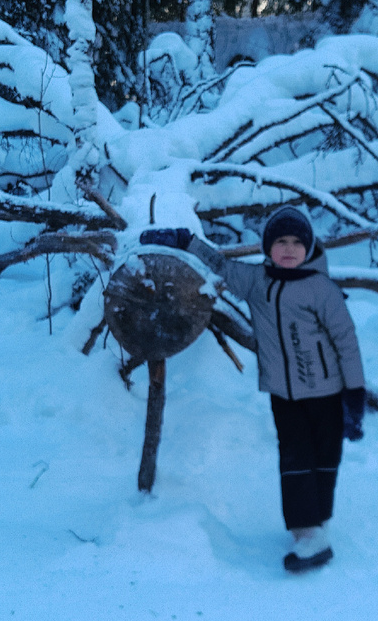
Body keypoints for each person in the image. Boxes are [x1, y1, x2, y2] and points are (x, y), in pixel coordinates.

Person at [141, 205, 366, 573]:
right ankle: (306, 529)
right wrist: (187, 241)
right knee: (295, 458)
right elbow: (222, 266)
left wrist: (354, 395)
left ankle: (316, 524)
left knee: (325, 457)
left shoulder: (321, 289)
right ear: (267, 247)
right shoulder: (257, 282)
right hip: (284, 395)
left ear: (309, 248)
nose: (289, 249)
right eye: (281, 242)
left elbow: (347, 342)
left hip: (327, 391)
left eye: (297, 242)